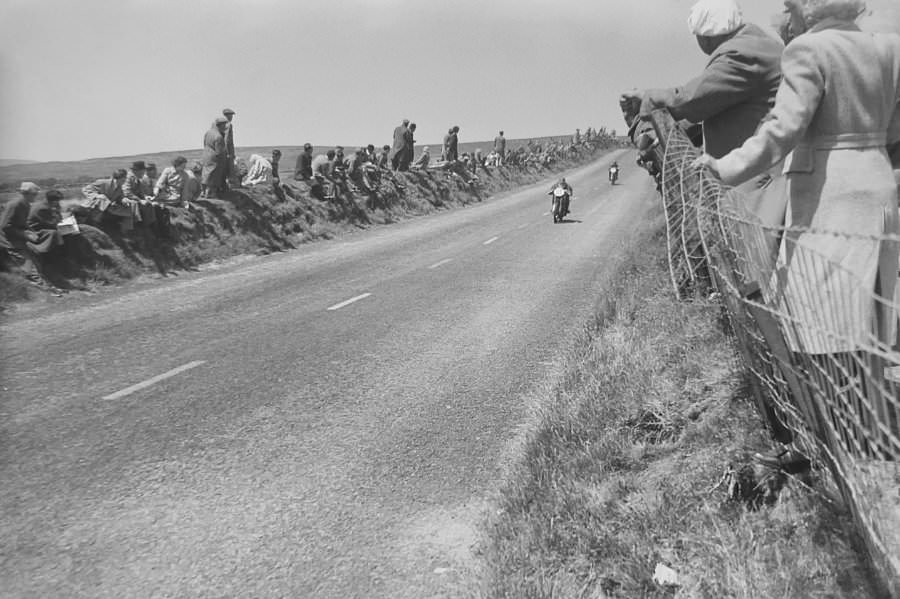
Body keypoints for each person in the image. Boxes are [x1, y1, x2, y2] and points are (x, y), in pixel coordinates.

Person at [693, 0, 900, 457]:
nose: (786, 14)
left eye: (789, 5)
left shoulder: (808, 50)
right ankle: (872, 420)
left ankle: (834, 431)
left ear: (807, 7)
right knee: (872, 305)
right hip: (878, 183)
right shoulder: (889, 47)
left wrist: (726, 167)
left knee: (817, 306)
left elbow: (781, 130)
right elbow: (895, 131)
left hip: (829, 191)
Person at [122, 160, 156, 227]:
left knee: (150, 205)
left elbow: (140, 191)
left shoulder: (137, 178)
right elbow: (127, 192)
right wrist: (140, 200)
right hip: (125, 200)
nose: (144, 173)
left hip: (134, 199)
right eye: (143, 171)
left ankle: (149, 227)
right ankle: (142, 227)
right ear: (138, 171)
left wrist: (145, 197)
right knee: (144, 207)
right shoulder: (128, 177)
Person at [202, 117, 229, 198]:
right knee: (214, 176)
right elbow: (219, 151)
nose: (225, 127)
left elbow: (205, 144)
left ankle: (203, 192)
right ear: (219, 125)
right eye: (224, 125)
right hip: (215, 158)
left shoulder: (208, 133)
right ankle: (211, 194)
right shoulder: (218, 136)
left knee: (206, 174)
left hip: (206, 155)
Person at [223, 108, 237, 187]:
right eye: (230, 115)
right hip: (227, 151)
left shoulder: (219, 125)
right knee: (229, 168)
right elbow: (227, 139)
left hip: (222, 150)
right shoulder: (228, 125)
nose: (231, 117)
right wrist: (229, 152)